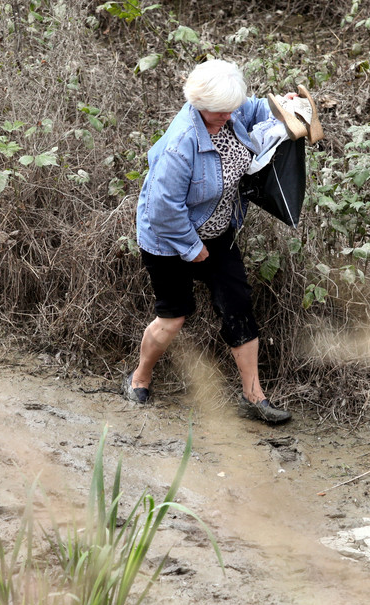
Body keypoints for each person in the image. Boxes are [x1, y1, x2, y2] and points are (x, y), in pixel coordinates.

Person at [123, 59, 299, 425]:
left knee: (238, 306)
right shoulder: (181, 143)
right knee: (173, 315)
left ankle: (255, 398)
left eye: (231, 110)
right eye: (221, 113)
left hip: (218, 232)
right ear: (201, 106)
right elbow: (162, 209)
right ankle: (140, 376)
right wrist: (191, 247)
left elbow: (251, 108)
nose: (229, 117)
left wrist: (281, 105)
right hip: (170, 240)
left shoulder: (229, 111)